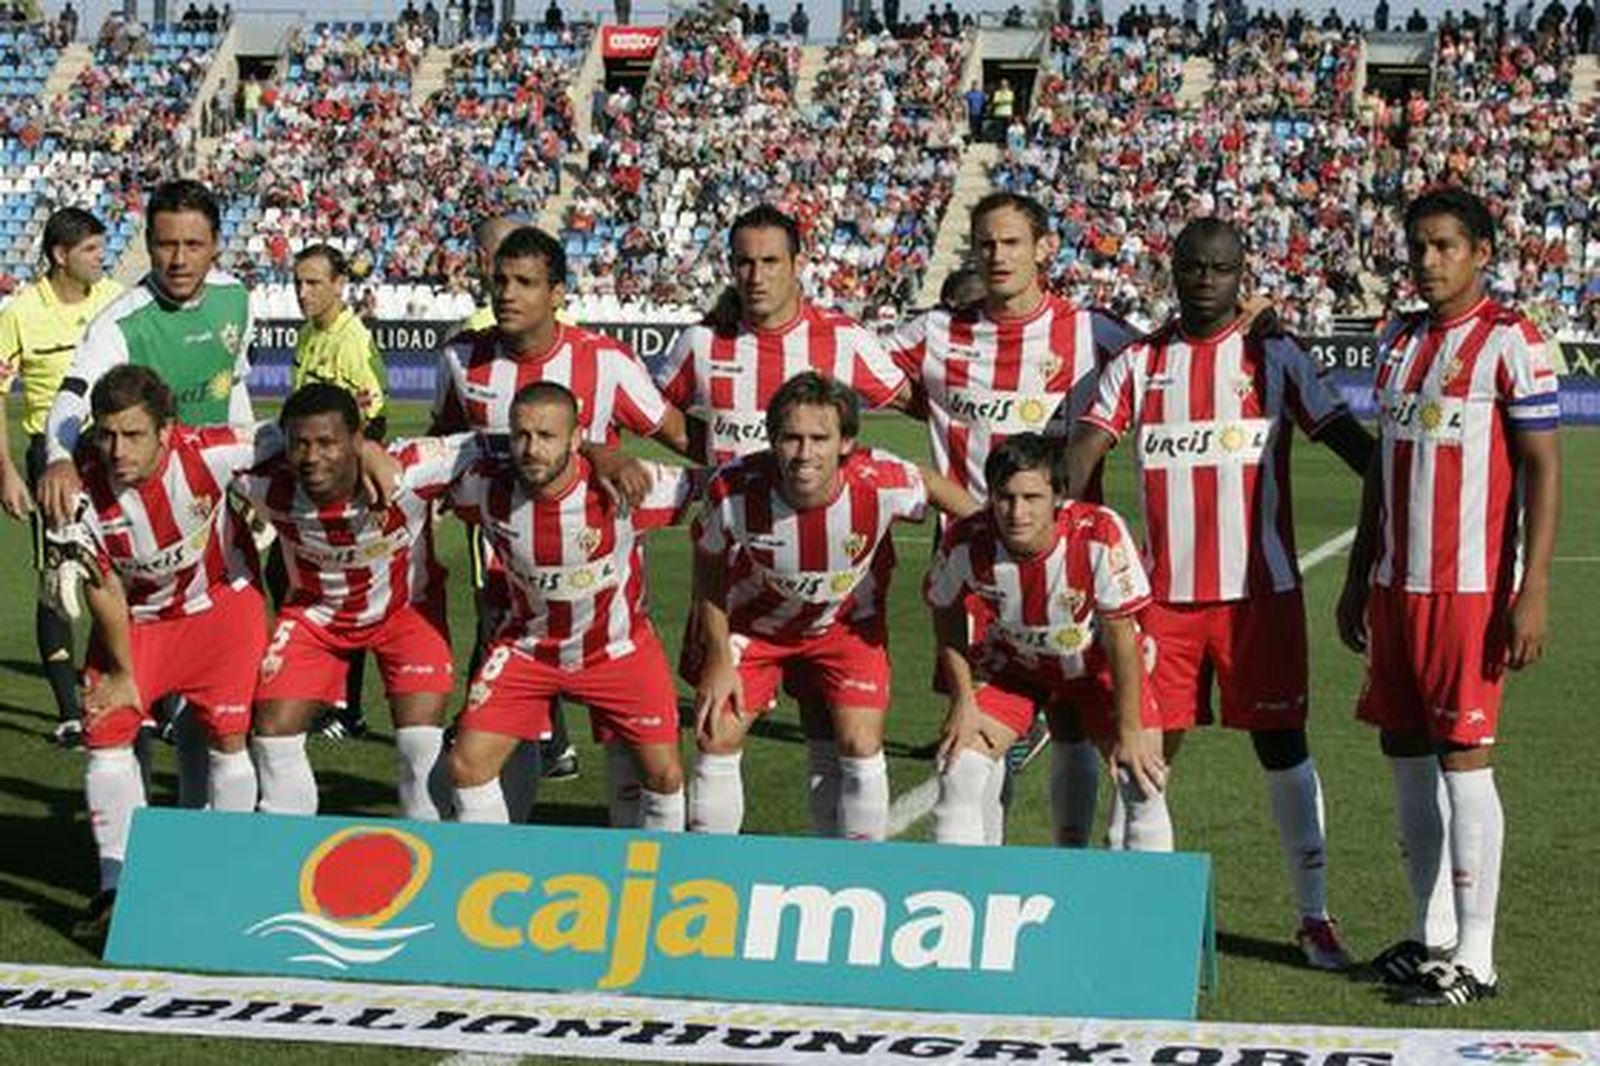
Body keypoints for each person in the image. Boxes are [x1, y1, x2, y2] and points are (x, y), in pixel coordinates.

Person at [1066, 217, 1374, 971]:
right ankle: (1133, 914)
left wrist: (1402, 521)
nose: (1206, 280)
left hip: (1259, 598)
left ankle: (1313, 917)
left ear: (1244, 273)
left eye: (1221, 268)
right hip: (1162, 601)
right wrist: (1054, 515)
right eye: (1192, 267)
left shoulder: (1276, 356)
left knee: (1283, 747)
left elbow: (1356, 449)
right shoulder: (1138, 363)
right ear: (1172, 271)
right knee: (1143, 754)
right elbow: (1084, 453)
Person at [1336, 187, 1561, 1006]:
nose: (1428, 262)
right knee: (1404, 760)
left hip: (1467, 591)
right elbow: (1382, 473)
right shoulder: (1398, 341)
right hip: (1396, 586)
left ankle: (1479, 953)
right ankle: (1432, 936)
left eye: (1445, 247)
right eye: (1419, 247)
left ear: (1480, 253)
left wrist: (1530, 586)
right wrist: (1361, 573)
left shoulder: (1512, 341)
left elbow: (1542, 466)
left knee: (1466, 765)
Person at [888, 192, 1138, 847]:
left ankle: (1069, 859)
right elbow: (848, 365)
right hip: (978, 570)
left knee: (1077, 728)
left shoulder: (1094, 332)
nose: (997, 256)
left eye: (1012, 243)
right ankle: (988, 881)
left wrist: (1254, 326)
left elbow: (1171, 360)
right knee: (972, 740)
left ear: (1044, 249)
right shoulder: (938, 331)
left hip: (1070, 566)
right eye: (986, 243)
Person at [654, 204, 914, 824]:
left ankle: (843, 879)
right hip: (736, 590)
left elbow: (913, 400)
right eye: (744, 262)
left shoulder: (840, 340)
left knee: (839, 731)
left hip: (838, 590)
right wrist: (708, 458)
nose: (757, 275)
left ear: (798, 265)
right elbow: (646, 407)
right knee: (717, 727)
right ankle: (712, 885)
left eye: (771, 262)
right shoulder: (702, 341)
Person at [433, 225, 697, 803]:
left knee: (634, 748)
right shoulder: (462, 360)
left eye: (525, 283)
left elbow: (678, 434)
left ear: (557, 293)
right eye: (499, 280)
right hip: (505, 573)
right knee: (509, 729)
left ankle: (633, 864)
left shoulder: (605, 362)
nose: (507, 294)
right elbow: (448, 444)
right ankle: (509, 857)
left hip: (598, 573)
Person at [688, 372, 979, 840]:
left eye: (819, 439)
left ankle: (859, 874)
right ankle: (711, 870)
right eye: (791, 438)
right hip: (755, 627)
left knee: (860, 743)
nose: (804, 454)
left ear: (847, 443)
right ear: (772, 439)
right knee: (715, 734)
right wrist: (719, 656)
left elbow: (930, 484)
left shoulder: (879, 481)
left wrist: (994, 536)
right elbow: (707, 565)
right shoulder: (732, 489)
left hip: (847, 626)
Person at [60, 366, 273, 938]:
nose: (116, 449)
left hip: (221, 610)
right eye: (106, 434)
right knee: (105, 730)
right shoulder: (77, 487)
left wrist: (366, 453)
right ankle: (116, 889)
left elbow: (291, 438)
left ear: (168, 430)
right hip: (137, 623)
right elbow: (100, 586)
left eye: (133, 435)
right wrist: (126, 676)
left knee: (231, 739)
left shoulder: (210, 450)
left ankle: (225, 875)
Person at [447, 382, 700, 830]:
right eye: (521, 434)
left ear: (576, 439)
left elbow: (715, 486)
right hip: (527, 649)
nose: (531, 448)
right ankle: (488, 877)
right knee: (466, 767)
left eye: (547, 436)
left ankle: (660, 885)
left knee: (665, 776)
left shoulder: (626, 486)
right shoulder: (485, 487)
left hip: (618, 650)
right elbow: (410, 476)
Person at [240, 384, 476, 821]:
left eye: (328, 443)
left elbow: (490, 442)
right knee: (271, 732)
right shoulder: (262, 480)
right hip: (316, 618)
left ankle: (426, 855)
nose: (312, 458)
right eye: (300, 444)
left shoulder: (412, 470)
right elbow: (186, 448)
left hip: (406, 614)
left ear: (355, 439)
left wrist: (597, 452)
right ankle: (285, 853)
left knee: (418, 743)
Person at [927, 433, 1168, 847]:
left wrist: (1130, 730)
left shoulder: (1099, 533)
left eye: (1031, 497)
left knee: (1141, 778)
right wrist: (963, 699)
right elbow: (944, 607)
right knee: (958, 768)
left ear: (1058, 495)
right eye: (1004, 497)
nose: (1016, 512)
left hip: (1098, 671)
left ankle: (1153, 909)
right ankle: (966, 897)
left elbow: (1120, 635)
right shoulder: (967, 540)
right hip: (1017, 671)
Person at [37, 180, 254, 529]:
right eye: (167, 245)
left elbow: (234, 382)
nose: (180, 260)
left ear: (216, 245)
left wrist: (247, 467)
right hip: (144, 506)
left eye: (194, 245)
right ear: (149, 244)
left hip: (214, 493)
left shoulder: (236, 298)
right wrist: (59, 457)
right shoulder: (118, 324)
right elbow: (72, 395)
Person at [0, 207, 123, 747]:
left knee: (128, 576)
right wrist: (5, 473)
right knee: (58, 583)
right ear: (60, 256)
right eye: (92, 250)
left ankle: (139, 694)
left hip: (115, 456)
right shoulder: (21, 313)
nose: (103, 258)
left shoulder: (118, 299)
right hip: (52, 462)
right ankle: (70, 711)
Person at [287, 242, 390, 740]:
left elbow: (377, 415)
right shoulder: (307, 334)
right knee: (304, 587)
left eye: (313, 282)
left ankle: (345, 706)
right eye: (298, 282)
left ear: (339, 285)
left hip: (345, 489)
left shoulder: (352, 339)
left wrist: (359, 474)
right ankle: (327, 694)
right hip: (312, 483)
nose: (303, 292)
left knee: (348, 594)